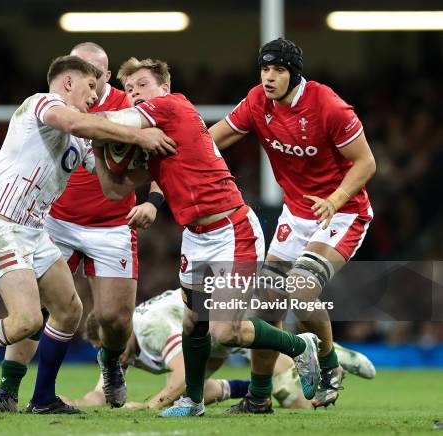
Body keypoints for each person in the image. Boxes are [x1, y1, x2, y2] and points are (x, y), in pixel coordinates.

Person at [0, 55, 175, 415]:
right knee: (27, 321)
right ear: (68, 83)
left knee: (69, 311)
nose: (93, 96)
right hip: (2, 226)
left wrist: (162, 164)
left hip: (35, 232)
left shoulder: (79, 141)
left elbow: (113, 188)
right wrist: (137, 133)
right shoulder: (41, 104)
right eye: (88, 88)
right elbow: (76, 121)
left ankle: (43, 399)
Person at [92, 57, 322, 417]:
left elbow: (105, 122)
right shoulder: (149, 141)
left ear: (163, 88)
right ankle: (194, 401)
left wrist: (85, 120)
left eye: (142, 85)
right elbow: (114, 190)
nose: (134, 93)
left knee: (225, 333)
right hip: (197, 236)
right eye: (129, 89)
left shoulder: (174, 104)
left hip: (232, 229)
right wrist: (101, 151)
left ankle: (299, 345)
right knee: (192, 323)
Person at [0, 42, 164, 413]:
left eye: (95, 74)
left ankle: (111, 364)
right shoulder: (62, 108)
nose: (90, 84)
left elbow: (160, 160)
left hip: (112, 224)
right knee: (38, 312)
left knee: (114, 318)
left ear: (106, 76)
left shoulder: (129, 109)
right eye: (82, 72)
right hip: (55, 222)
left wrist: (153, 201)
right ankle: (8, 390)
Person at [208, 38, 376, 412]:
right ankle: (258, 397)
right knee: (268, 308)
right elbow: (212, 140)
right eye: (265, 69)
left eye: (278, 70)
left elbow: (366, 163)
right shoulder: (257, 101)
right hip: (295, 216)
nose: (269, 77)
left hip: (342, 213)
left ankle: (330, 364)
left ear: (294, 73)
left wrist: (334, 200)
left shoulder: (328, 105)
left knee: (300, 289)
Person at [68, 288, 376, 410]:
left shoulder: (151, 328)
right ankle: (321, 354)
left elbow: (180, 377)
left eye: (110, 349)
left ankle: (326, 352)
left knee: (284, 387)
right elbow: (102, 393)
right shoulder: (118, 345)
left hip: (224, 314)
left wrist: (149, 406)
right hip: (209, 336)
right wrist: (74, 403)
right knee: (197, 392)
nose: (112, 357)